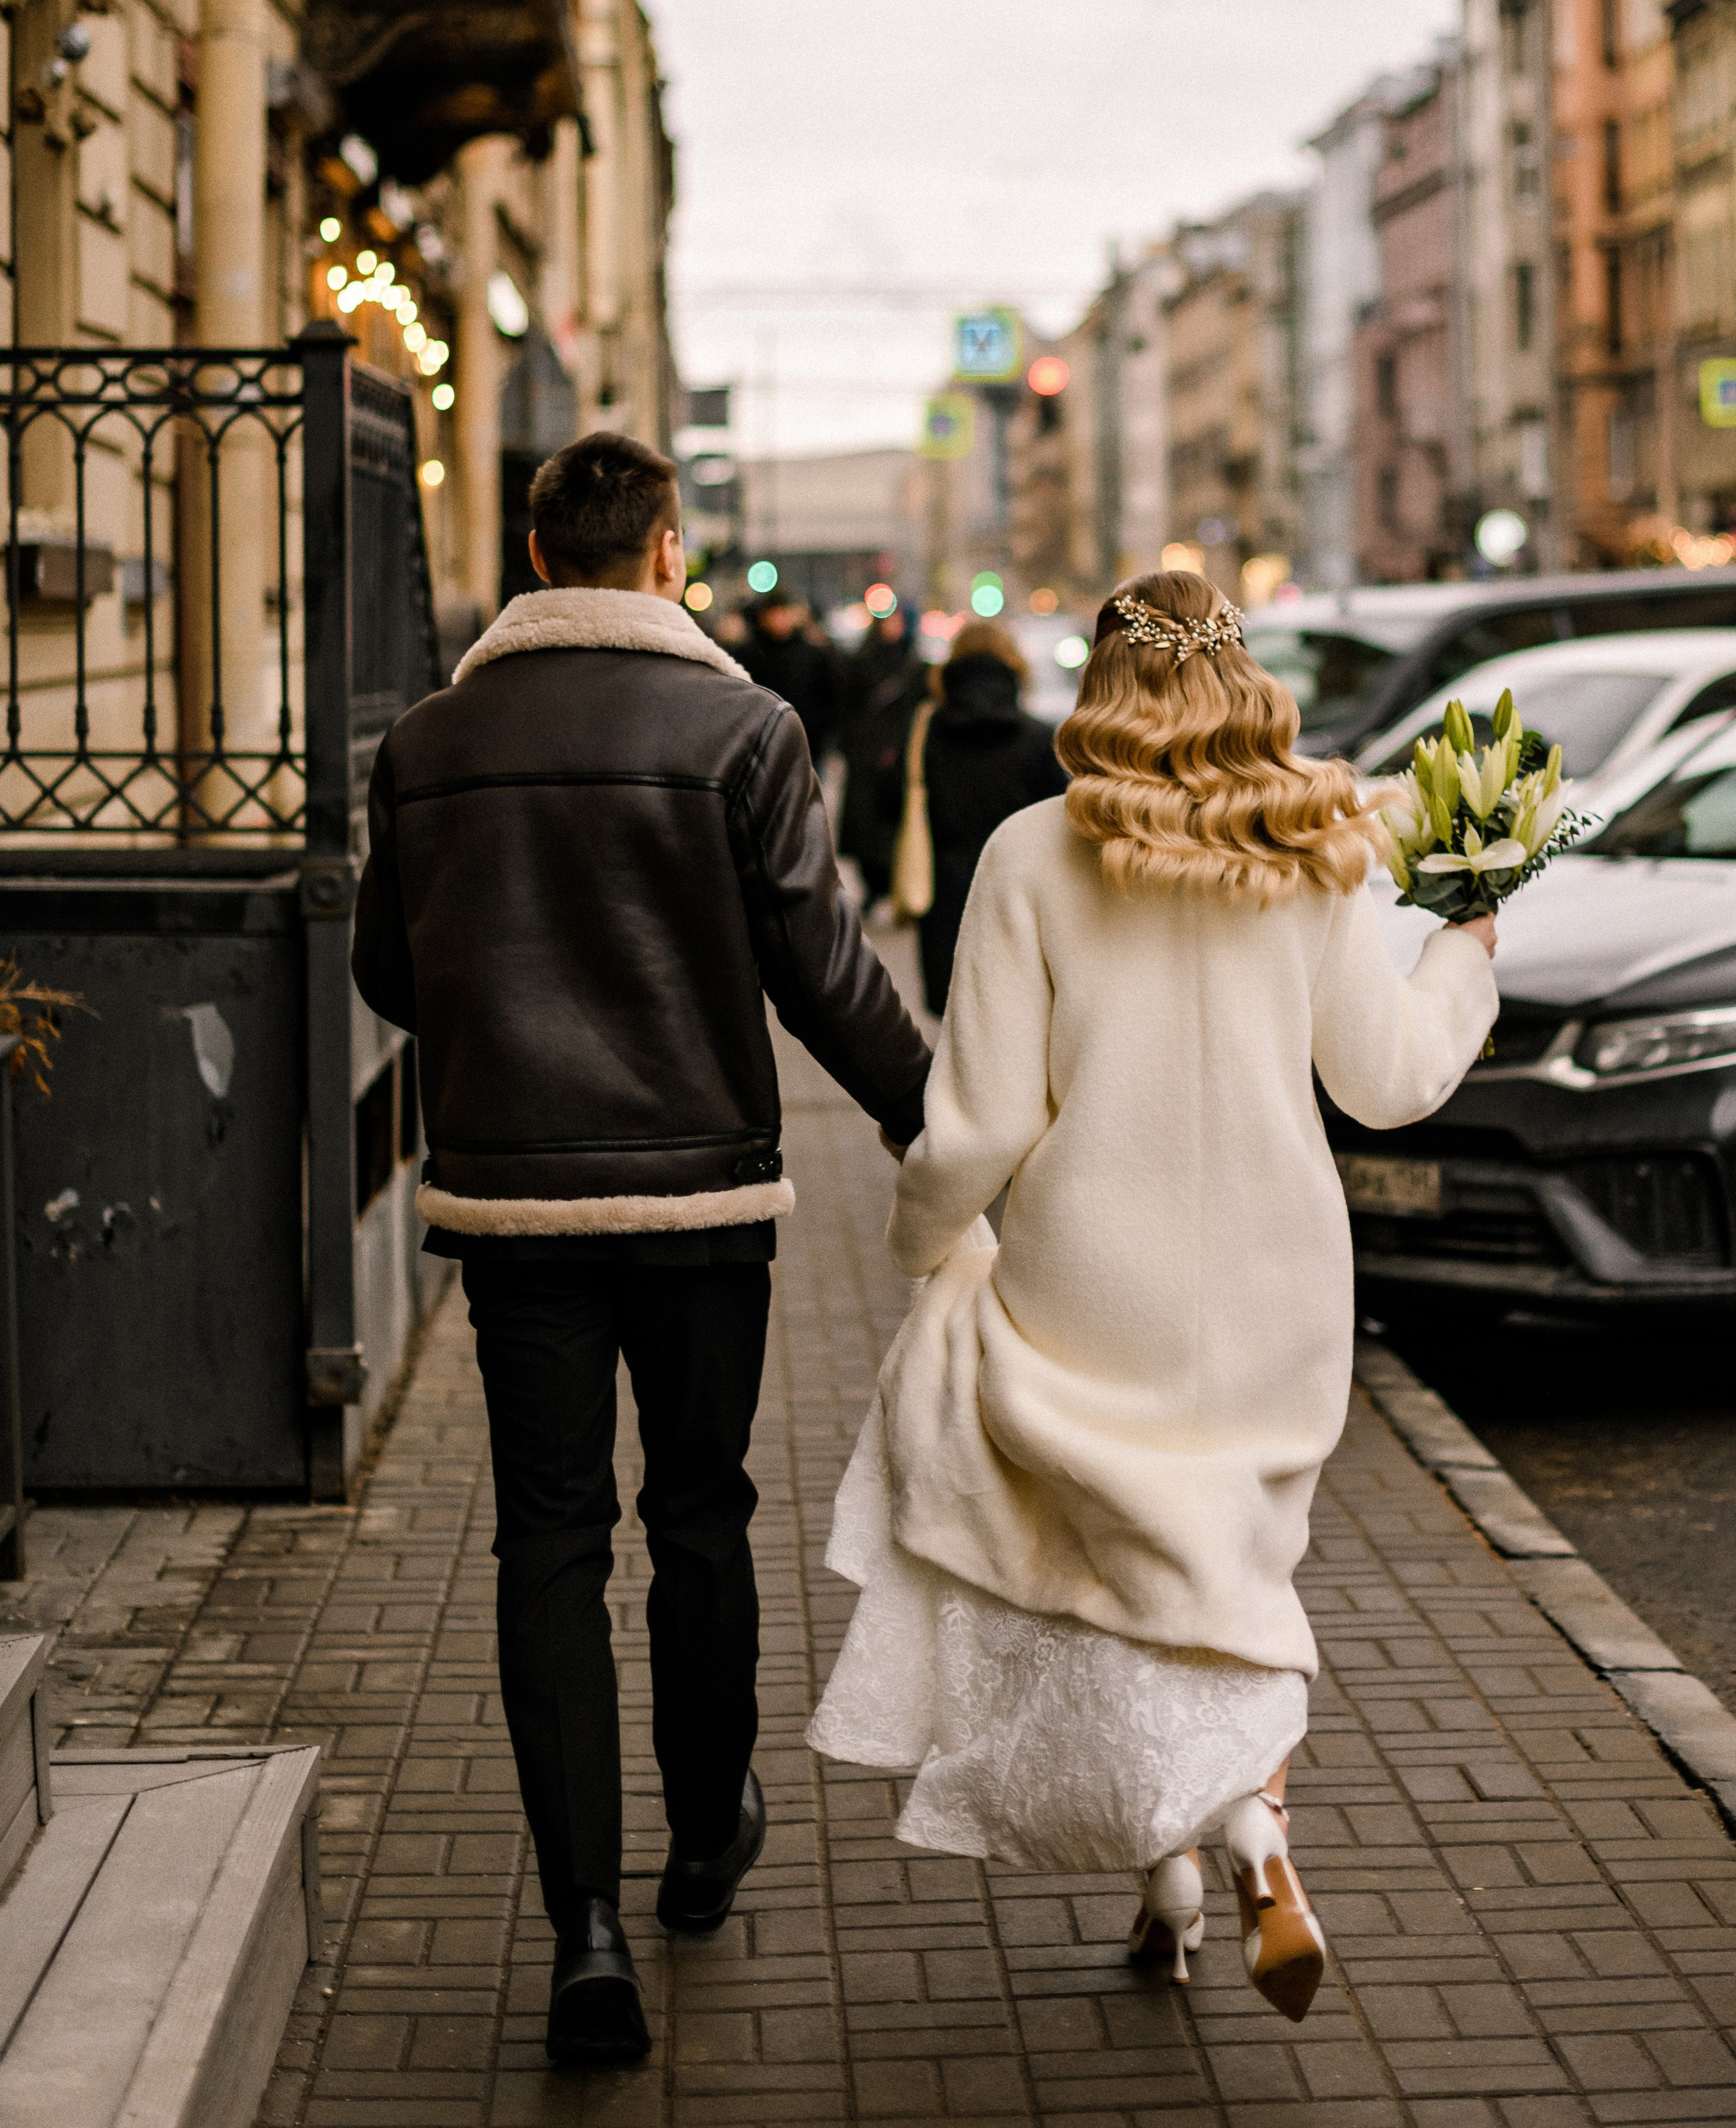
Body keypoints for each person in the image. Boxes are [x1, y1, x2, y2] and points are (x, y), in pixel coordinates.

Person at [809, 570, 1497, 2022]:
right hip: (1277, 1286)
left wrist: (923, 1243)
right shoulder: (1313, 845)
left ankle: (1201, 1855)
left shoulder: (1028, 851)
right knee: (1228, 1575)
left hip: (1087, 1281)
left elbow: (978, 1119)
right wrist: (1463, 949)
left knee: (1126, 1577)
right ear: (1236, 673)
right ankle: (1214, 1854)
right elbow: (1383, 1081)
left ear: (1099, 685)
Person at [353, 432, 929, 2070]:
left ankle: (583, 1926)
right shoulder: (742, 728)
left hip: (515, 1206)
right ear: (666, 553)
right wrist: (931, 1122)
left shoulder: (426, 741)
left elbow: (393, 974)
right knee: (697, 1512)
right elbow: (824, 970)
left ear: (534, 553)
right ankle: (701, 1839)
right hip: (698, 1209)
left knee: (544, 1544)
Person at [901, 620, 1066, 1014]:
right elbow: (1061, 817)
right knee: (1021, 1014)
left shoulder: (927, 734)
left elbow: (892, 801)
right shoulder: (1039, 738)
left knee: (959, 1022)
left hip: (947, 895)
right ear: (1014, 667)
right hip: (1023, 895)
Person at [837, 604, 926, 907]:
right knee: (865, 825)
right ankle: (873, 885)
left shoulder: (915, 665)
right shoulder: (860, 662)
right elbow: (846, 707)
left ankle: (890, 884)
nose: (893, 627)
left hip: (902, 754)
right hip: (866, 753)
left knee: (895, 822)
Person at [739, 587, 836, 762]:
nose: (779, 620)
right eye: (774, 614)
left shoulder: (812, 654)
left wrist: (820, 735)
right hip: (764, 747)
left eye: (783, 613)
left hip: (807, 745)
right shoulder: (750, 655)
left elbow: (827, 697)